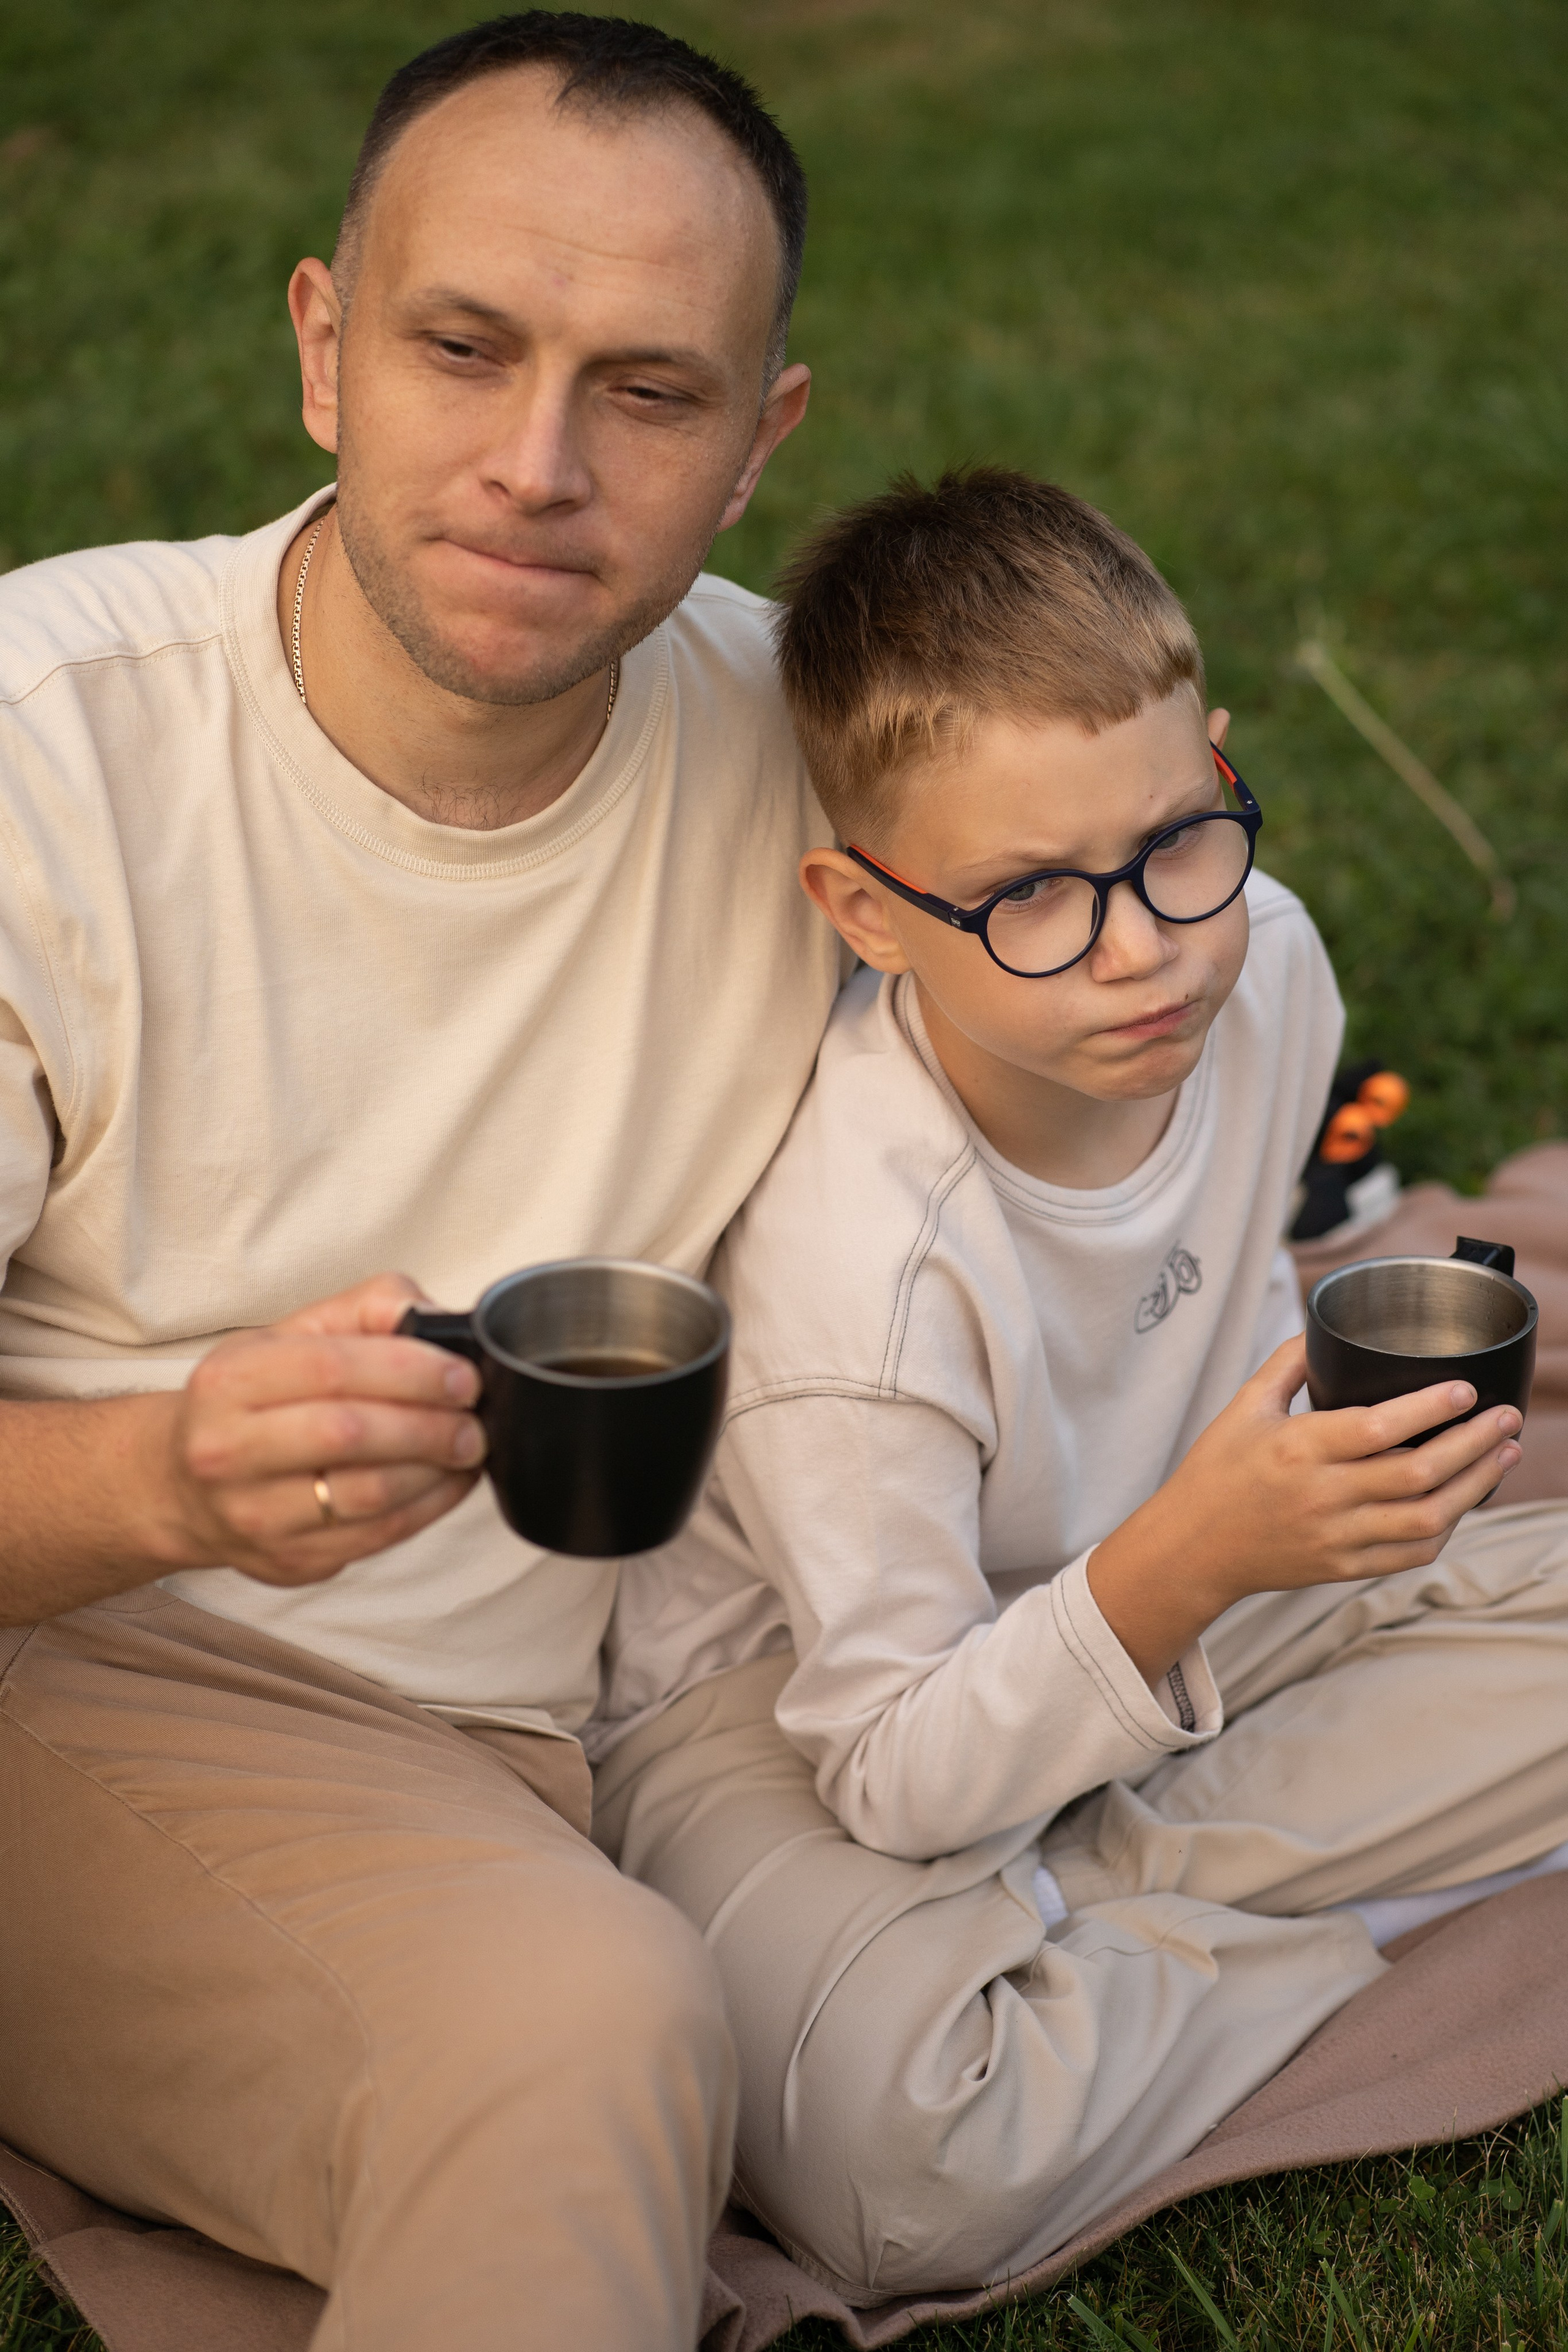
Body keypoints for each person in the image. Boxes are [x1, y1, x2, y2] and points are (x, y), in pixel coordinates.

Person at [0, 15, 841, 2349]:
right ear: (322, 345)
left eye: (649, 391)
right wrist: (167, 1475)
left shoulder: (826, 775)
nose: (537, 463)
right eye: (462, 348)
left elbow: (1210, 931)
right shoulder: (45, 763)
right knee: (590, 2036)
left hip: (617, 1701)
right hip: (90, 1661)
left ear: (760, 445)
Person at [590, 468, 1568, 2304]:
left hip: (1165, 1586)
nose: (1145, 947)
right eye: (1032, 894)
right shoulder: (865, 1274)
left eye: (1181, 842)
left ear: (1215, 759)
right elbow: (885, 1769)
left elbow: (1197, 1322)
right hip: (803, 1717)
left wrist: (1239, 1539)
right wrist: (1191, 1561)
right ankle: (1219, 1895)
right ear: (864, 911)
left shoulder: (1266, 964)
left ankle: (1108, 1898)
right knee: (912, 2163)